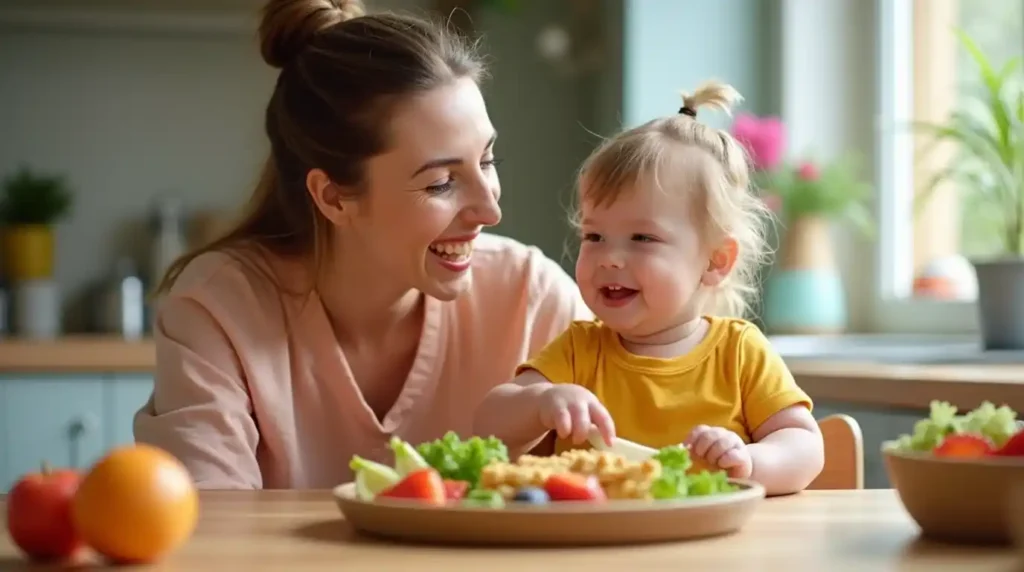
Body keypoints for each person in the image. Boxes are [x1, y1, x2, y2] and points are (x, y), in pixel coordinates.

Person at [132, 0, 591, 490]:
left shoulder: (532, 297)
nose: (490, 210)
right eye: (440, 183)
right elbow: (209, 532)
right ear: (333, 197)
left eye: (488, 160)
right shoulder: (219, 309)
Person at [473, 81, 825, 496]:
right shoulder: (579, 351)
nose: (609, 258)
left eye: (642, 239)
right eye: (594, 236)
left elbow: (806, 446)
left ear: (716, 261)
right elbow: (489, 424)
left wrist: (750, 461)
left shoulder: (740, 353)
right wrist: (541, 403)